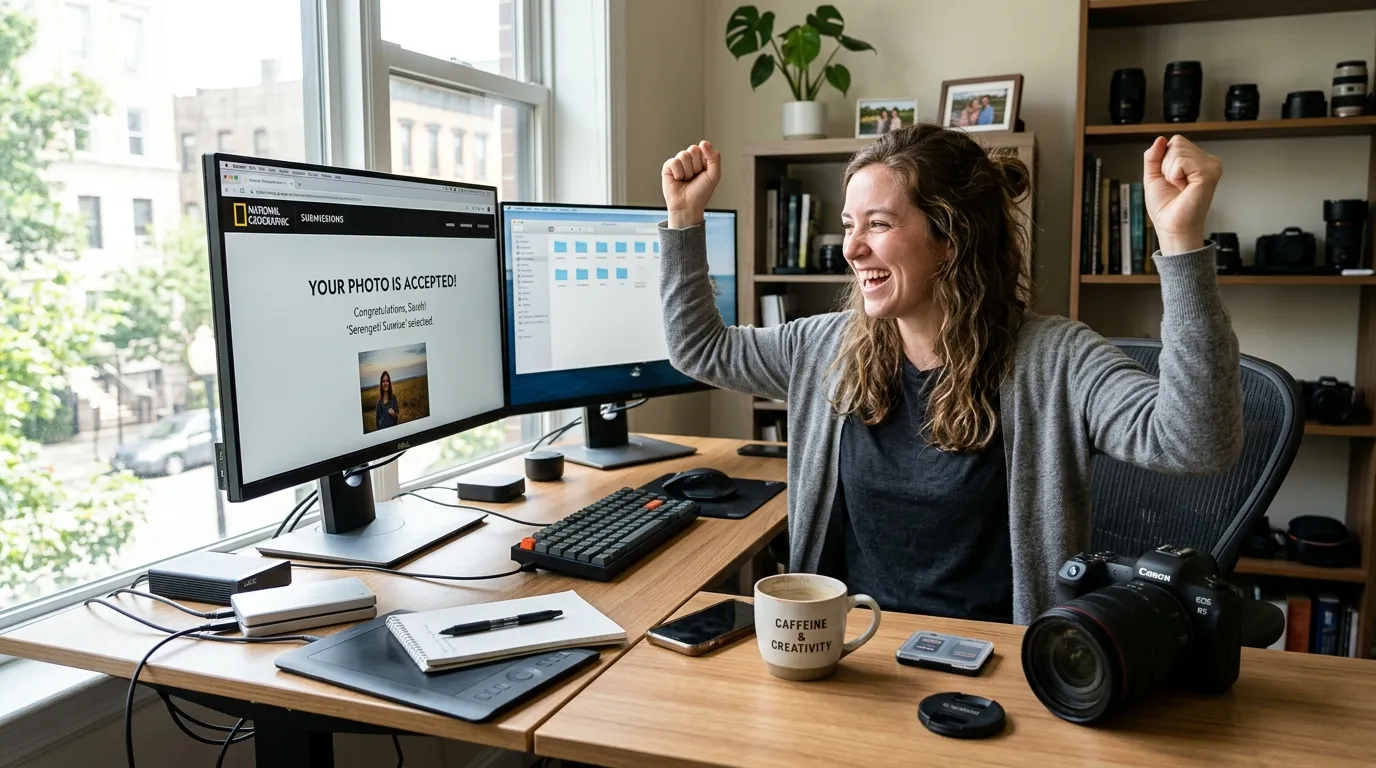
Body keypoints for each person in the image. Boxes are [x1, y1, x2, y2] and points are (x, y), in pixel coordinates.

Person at [656, 125, 1239, 625]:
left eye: (878, 224)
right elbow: (699, 349)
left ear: (950, 239)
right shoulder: (826, 347)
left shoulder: (1056, 359)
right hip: (853, 647)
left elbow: (1196, 441)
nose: (851, 249)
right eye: (848, 224)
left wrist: (1181, 244)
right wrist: (684, 219)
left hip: (997, 661)